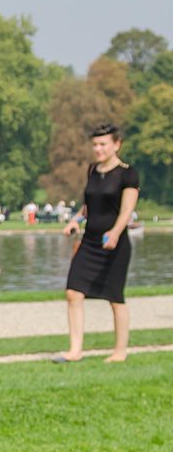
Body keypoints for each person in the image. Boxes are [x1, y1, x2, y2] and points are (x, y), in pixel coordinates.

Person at [55, 123, 140, 363]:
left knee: (115, 298)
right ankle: (75, 351)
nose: (98, 148)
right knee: (73, 292)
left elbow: (127, 209)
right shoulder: (93, 170)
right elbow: (88, 204)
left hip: (114, 243)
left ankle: (119, 352)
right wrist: (75, 219)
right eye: (95, 144)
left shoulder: (128, 173)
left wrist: (115, 232)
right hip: (90, 241)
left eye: (103, 144)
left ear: (117, 144)